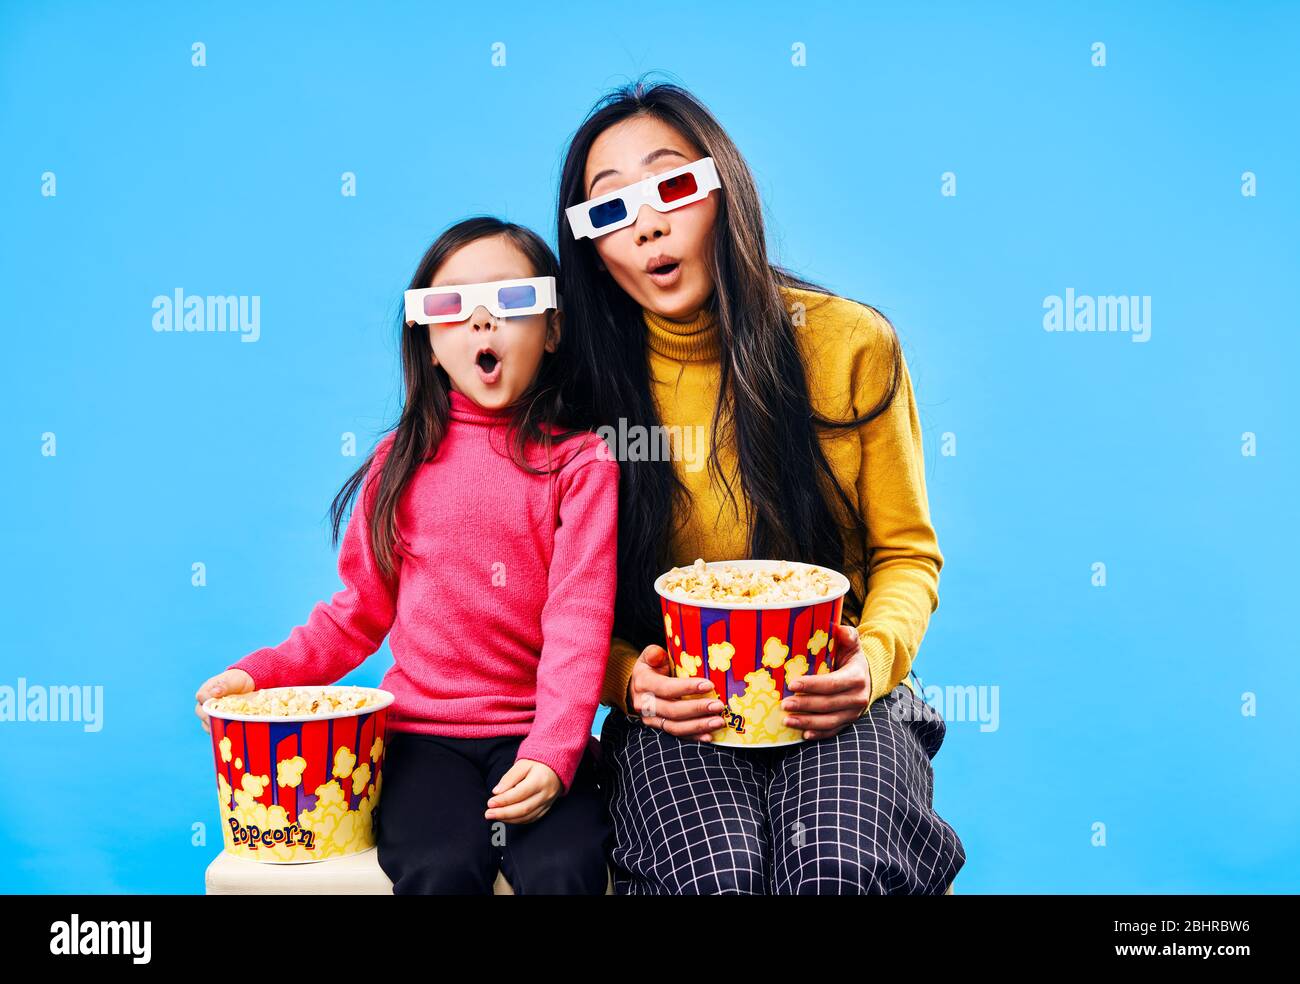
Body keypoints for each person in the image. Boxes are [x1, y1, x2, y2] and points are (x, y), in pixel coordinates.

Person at [556, 80, 966, 894]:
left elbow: (907, 556)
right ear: (592, 249)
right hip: (677, 715)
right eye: (609, 211)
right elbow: (552, 601)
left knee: (833, 866)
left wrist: (872, 666)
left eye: (672, 185)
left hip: (843, 698)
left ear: (724, 188)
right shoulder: (575, 390)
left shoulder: (848, 345)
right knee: (715, 873)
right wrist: (630, 679)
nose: (647, 225)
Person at [195, 216, 618, 894]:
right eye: (451, 308)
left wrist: (554, 751)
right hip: (422, 743)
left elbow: (580, 618)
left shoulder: (583, 463)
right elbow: (356, 614)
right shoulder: (397, 462)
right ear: (426, 341)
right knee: (441, 865)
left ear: (554, 328)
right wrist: (262, 674)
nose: (483, 324)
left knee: (562, 868)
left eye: (510, 301)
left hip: (537, 731)